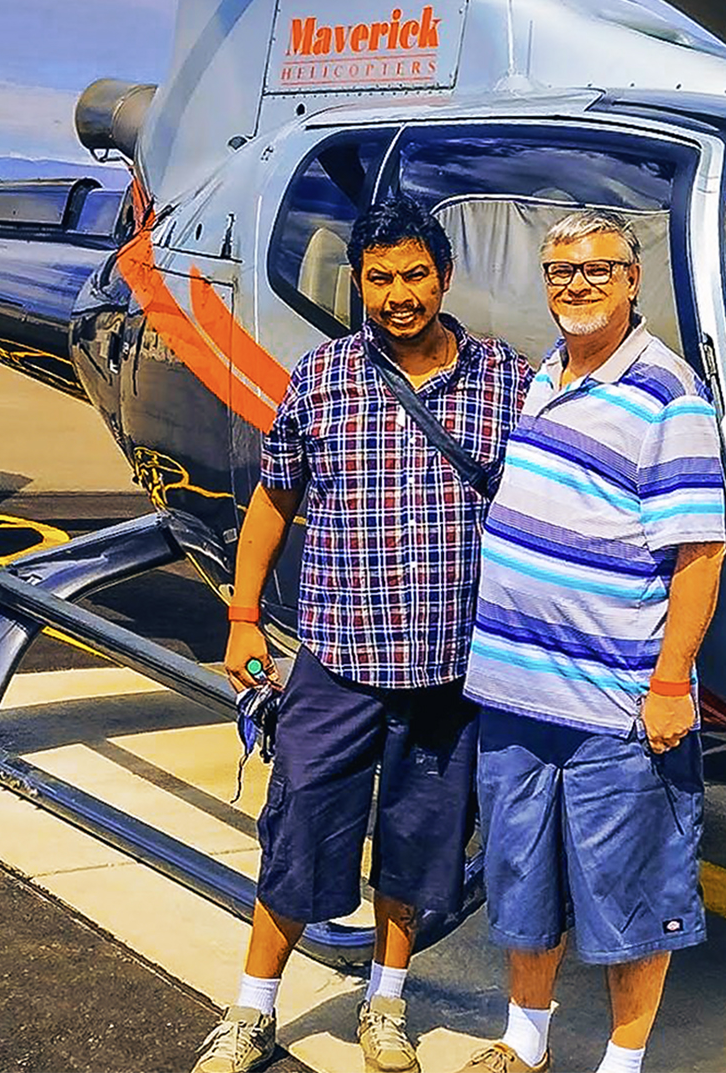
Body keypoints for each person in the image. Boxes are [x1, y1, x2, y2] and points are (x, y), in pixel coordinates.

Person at [193, 195, 533, 1073]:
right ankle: (252, 1011)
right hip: (338, 659)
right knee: (300, 824)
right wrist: (241, 616)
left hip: (452, 670)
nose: (398, 295)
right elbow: (275, 496)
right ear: (359, 284)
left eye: (414, 275)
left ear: (445, 278)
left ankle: (386, 1003)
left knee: (420, 847)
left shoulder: (507, 379)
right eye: (379, 279)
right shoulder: (323, 376)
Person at [457, 210, 726, 1073]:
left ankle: (622, 1063)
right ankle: (524, 1042)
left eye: (596, 270)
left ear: (633, 277)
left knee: (631, 891)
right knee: (521, 879)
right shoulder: (546, 374)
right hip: (513, 696)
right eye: (560, 271)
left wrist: (671, 682)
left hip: (611, 703)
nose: (576, 286)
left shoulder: (669, 394)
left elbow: (699, 553)